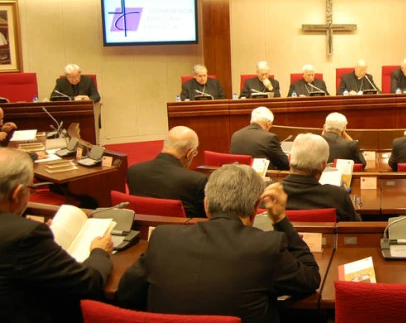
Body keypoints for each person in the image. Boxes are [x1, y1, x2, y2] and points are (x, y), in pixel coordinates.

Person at [117, 164, 320, 322]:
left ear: (206, 205)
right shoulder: (267, 246)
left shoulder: (163, 238)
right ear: (255, 208)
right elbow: (310, 278)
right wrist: (280, 219)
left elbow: (126, 294)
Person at [0, 147, 113, 323]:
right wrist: (99, 252)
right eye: (31, 189)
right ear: (16, 194)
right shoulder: (25, 236)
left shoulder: (22, 232)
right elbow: (87, 284)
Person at [127, 126, 208, 218]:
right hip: (182, 227)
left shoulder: (133, 172)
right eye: (195, 153)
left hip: (142, 226)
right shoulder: (197, 181)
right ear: (189, 153)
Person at [281, 133, 361, 221]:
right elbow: (355, 226)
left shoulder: (271, 194)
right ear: (323, 166)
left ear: (289, 159)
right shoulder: (337, 196)